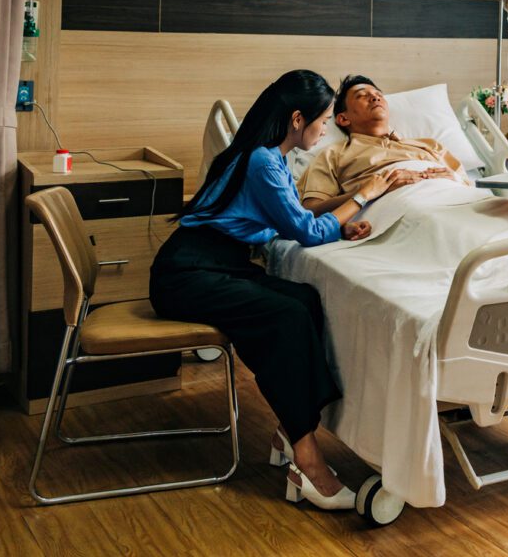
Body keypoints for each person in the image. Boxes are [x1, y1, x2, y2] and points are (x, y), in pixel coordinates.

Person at [149, 70, 373, 511]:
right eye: (323, 120)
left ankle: (290, 433)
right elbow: (305, 231)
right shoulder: (262, 161)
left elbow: (292, 217)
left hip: (214, 264)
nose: (325, 129)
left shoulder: (266, 156)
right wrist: (364, 196)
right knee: (285, 316)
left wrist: (342, 222)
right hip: (187, 273)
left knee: (305, 300)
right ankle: (307, 460)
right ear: (296, 119)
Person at [299, 74, 469, 213]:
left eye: (378, 94)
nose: (374, 97)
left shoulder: (431, 145)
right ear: (343, 118)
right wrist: (372, 191)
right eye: (361, 96)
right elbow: (311, 210)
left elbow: (470, 187)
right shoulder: (333, 154)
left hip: (456, 198)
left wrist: (454, 179)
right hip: (403, 207)